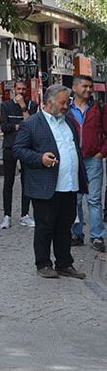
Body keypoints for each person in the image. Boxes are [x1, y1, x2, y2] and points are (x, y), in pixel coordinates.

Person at [13, 84, 88, 279]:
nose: (66, 106)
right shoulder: (31, 124)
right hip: (46, 186)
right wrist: (40, 159)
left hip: (69, 185)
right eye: (63, 103)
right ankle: (43, 263)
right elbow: (18, 149)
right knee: (45, 227)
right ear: (49, 102)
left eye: (67, 102)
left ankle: (64, 263)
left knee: (65, 226)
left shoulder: (69, 122)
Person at [67, 75, 107, 252]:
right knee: (74, 199)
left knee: (94, 199)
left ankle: (97, 236)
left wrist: (101, 154)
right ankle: (76, 234)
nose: (88, 90)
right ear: (74, 88)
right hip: (72, 160)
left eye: (90, 87)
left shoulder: (99, 108)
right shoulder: (65, 108)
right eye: (85, 86)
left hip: (93, 159)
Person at [0, 80, 38, 229]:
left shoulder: (31, 106)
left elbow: (31, 125)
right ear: (14, 90)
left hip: (27, 147)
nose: (20, 92)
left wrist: (23, 107)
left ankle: (25, 214)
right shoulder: (5, 105)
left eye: (23, 89)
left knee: (26, 181)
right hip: (10, 147)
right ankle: (7, 216)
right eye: (18, 89)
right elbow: (4, 126)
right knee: (8, 182)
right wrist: (20, 126)